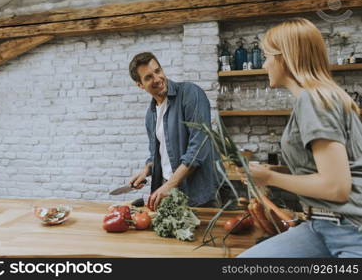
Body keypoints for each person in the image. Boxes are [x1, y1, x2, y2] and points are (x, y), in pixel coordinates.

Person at [238, 18, 362, 257]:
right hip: (321, 225)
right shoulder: (323, 97)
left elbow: (336, 187)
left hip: (350, 231)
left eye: (267, 55)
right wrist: (269, 174)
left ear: (283, 58)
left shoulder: (314, 100)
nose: (264, 64)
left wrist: (269, 177)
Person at [128, 52, 221, 210]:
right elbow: (156, 154)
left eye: (158, 71)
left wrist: (169, 185)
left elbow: (198, 148)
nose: (157, 79)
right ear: (140, 85)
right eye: (148, 77)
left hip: (198, 193)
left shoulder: (191, 94)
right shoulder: (150, 115)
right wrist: (146, 171)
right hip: (168, 191)